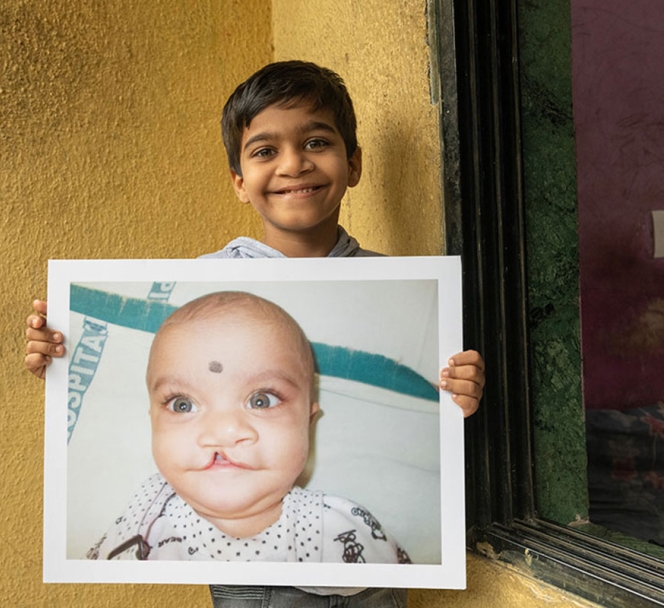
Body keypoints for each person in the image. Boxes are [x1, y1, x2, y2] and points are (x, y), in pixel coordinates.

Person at [25, 60, 485, 606]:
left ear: (354, 163)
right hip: (250, 586)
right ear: (240, 183)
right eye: (265, 151)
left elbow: (434, 417)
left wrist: (460, 393)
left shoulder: (404, 297)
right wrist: (57, 350)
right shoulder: (204, 285)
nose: (294, 164)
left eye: (316, 142)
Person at [88, 291, 411, 566]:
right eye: (182, 404)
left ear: (308, 423)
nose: (224, 432)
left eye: (262, 401)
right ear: (152, 421)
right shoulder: (143, 517)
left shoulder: (343, 528)